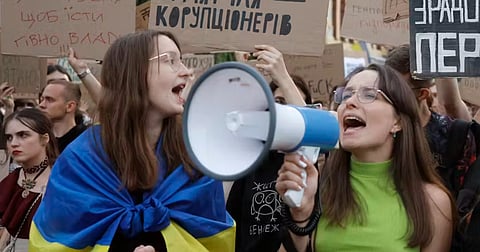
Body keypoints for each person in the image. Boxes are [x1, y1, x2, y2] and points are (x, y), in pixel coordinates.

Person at [29, 30, 235, 252]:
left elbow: (214, 240)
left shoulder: (195, 158)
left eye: (181, 60)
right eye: (170, 61)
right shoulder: (80, 161)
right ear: (134, 72)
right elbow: (53, 242)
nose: (185, 72)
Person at [276, 64, 455, 251]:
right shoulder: (318, 186)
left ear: (398, 121)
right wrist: (300, 214)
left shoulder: (432, 202)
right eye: (345, 95)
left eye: (369, 95)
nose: (350, 102)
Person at [226, 45, 311, 252]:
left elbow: (309, 127)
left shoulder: (310, 163)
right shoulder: (251, 160)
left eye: (291, 104)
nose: (285, 112)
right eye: (278, 103)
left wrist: (282, 76)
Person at [385, 45, 476, 196]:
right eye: (384, 87)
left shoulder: (453, 135)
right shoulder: (380, 133)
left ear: (422, 94)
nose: (388, 95)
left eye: (397, 89)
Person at [0, 108, 57, 252]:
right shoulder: (10, 181)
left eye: (23, 135)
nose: (13, 143)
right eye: (9, 137)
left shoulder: (60, 181)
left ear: (44, 139)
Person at [38, 79, 88, 153]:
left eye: (49, 100)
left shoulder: (85, 139)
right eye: (42, 99)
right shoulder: (37, 136)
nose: (41, 105)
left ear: (70, 106)